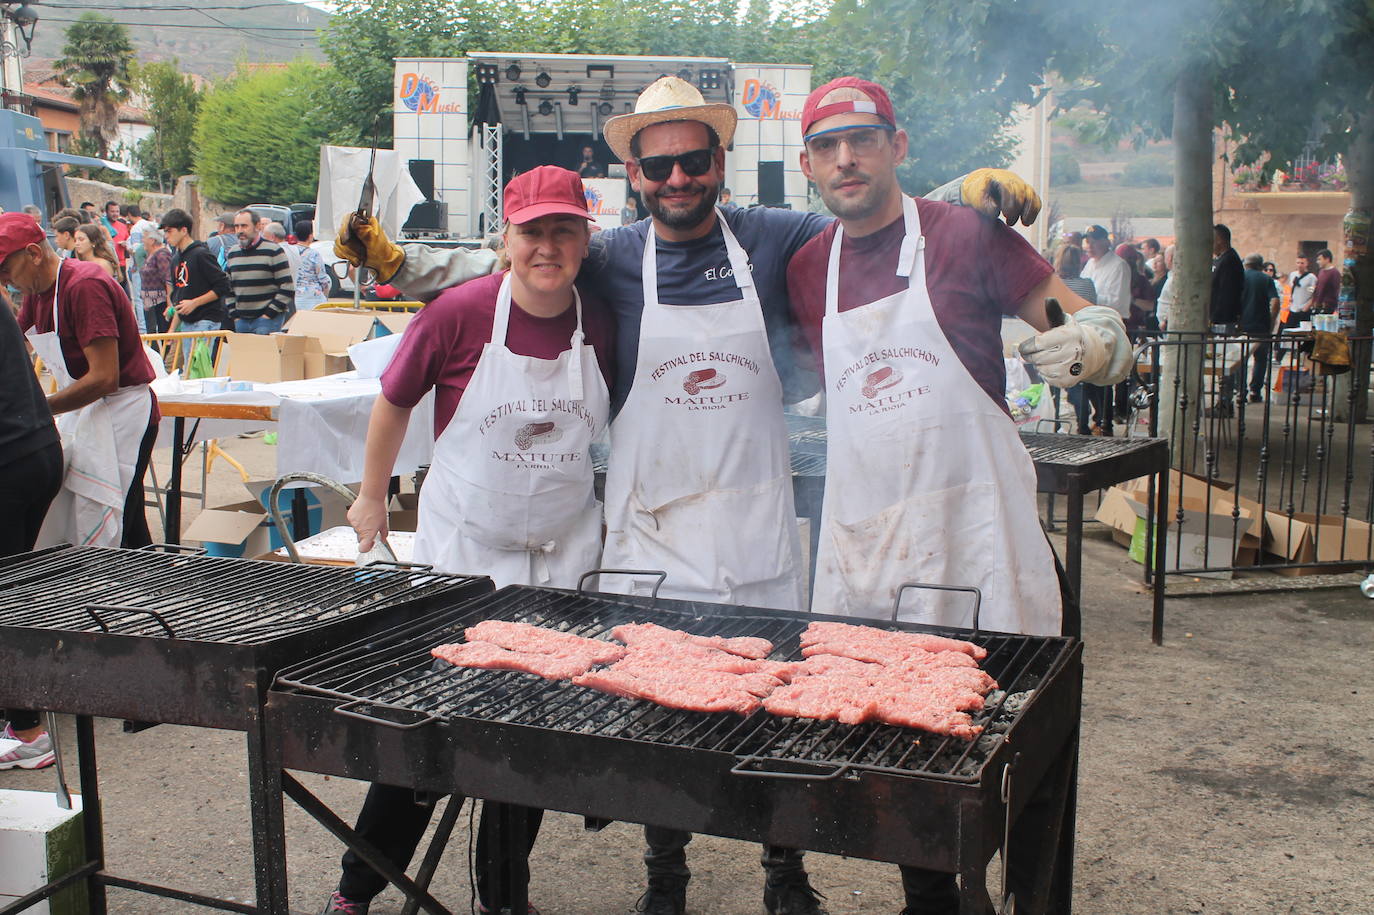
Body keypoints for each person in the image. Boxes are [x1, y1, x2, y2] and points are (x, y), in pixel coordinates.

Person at [333, 75, 1043, 915]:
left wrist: (959, 191)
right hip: (655, 535)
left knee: (779, 712)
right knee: (656, 720)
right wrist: (399, 261)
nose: (677, 179)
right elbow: (535, 256)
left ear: (719, 162)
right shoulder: (615, 257)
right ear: (635, 174)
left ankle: (786, 871)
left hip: (752, 526)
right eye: (658, 165)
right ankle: (663, 874)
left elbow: (873, 214)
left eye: (693, 160)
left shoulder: (778, 239)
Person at [786, 74, 1129, 915]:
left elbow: (1080, 319)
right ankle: (936, 902)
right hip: (880, 557)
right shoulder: (805, 270)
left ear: (897, 147)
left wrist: (1095, 338)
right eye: (827, 147)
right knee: (909, 764)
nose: (846, 159)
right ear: (807, 165)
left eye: (862, 139)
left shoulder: (966, 236)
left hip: (984, 542)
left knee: (1029, 765)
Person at [320, 166, 615, 915]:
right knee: (426, 734)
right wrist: (370, 495)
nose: (547, 246)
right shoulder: (458, 313)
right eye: (532, 231)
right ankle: (357, 891)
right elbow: (392, 401)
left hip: (560, 559)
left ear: (586, 237)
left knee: (528, 739)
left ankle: (502, 897)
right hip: (464, 557)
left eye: (564, 229)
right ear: (505, 240)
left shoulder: (602, 320)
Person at [6, 212, 158, 550]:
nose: (5, 280)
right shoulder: (37, 292)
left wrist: (37, 410)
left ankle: (131, 589)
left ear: (33, 253)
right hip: (86, 411)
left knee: (118, 512)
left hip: (122, 412)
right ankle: (140, 587)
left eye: (5, 270)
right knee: (121, 518)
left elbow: (104, 377)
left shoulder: (85, 285)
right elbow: (13, 344)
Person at [0, 296, 63, 771]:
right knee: (12, 592)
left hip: (12, 458)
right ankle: (22, 723)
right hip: (34, 448)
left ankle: (27, 731)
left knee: (7, 597)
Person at [162, 208, 232, 363]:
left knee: (199, 368)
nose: (166, 236)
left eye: (169, 231)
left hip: (206, 318)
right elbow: (180, 298)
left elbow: (223, 285)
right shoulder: (175, 259)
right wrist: (173, 329)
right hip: (187, 321)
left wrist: (195, 302)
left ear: (184, 230)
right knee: (190, 368)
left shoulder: (201, 254)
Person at [225, 208, 294, 333]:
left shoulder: (273, 251)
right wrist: (235, 316)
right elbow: (228, 288)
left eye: (244, 226)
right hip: (241, 321)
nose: (240, 230)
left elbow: (287, 287)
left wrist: (268, 315)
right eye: (237, 226)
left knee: (265, 353)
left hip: (267, 321)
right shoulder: (232, 253)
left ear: (257, 226)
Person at [1236, 253, 1280, 402]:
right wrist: (1271, 323)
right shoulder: (1266, 279)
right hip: (1261, 326)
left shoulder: (1239, 277)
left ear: (1246, 264)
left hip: (1241, 326)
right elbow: (1275, 303)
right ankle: (1255, 392)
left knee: (1240, 360)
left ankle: (1240, 391)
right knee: (1260, 359)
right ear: (1260, 266)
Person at [1079, 225, 1130, 318]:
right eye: (1087, 242)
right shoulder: (1090, 263)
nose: (1089, 246)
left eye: (1094, 242)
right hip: (1091, 318)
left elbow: (1116, 302)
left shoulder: (1119, 266)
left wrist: (1087, 296)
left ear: (1106, 242)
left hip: (1111, 322)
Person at [139, 228, 174, 334]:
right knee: (152, 333)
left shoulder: (161, 255)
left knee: (163, 332)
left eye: (144, 237)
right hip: (151, 303)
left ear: (152, 240)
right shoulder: (152, 254)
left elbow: (169, 280)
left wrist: (170, 304)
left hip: (161, 302)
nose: (142, 240)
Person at [293, 219, 331, 311]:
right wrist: (325, 294)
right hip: (313, 297)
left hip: (295, 295)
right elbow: (323, 279)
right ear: (310, 236)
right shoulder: (314, 254)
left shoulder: (290, 251)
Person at [1210, 223, 1244, 328]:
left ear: (1219, 239)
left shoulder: (1229, 260)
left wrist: (1215, 318)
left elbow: (1225, 292)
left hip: (1223, 319)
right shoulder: (1220, 259)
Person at [99, 200, 130, 282]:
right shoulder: (101, 227)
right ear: (106, 212)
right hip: (107, 264)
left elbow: (129, 241)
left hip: (121, 264)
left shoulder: (123, 226)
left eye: (117, 211)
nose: (115, 214)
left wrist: (126, 244)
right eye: (112, 211)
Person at [1285, 253, 1317, 328]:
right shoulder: (1293, 275)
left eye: (1302, 263)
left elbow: (1313, 293)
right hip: (1293, 308)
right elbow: (1291, 288)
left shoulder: (1311, 278)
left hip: (1304, 309)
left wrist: (1307, 306)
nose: (1300, 265)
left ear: (1306, 264)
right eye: (1298, 263)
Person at [1312, 248, 1340, 315]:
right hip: (1318, 307)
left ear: (1327, 259)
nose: (1317, 262)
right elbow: (1319, 287)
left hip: (1328, 307)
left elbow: (1337, 290)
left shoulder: (1334, 273)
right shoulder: (1321, 271)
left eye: (1319, 259)